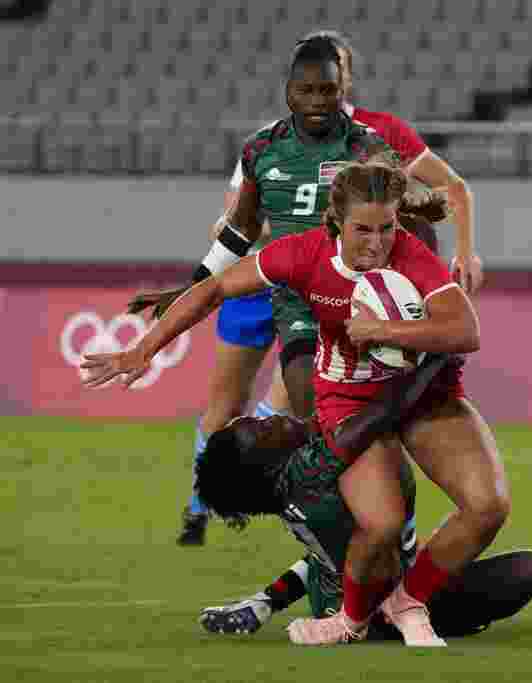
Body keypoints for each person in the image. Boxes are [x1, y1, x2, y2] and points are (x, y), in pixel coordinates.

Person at [82, 161, 510, 648]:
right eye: (363, 230)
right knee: (382, 523)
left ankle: (406, 602)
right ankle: (348, 621)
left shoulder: (410, 254)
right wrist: (143, 349)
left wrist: (383, 331)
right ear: (336, 223)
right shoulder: (302, 254)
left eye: (387, 228)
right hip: (348, 397)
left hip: (424, 393)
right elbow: (216, 288)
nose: (377, 243)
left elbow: (466, 331)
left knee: (488, 507)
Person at [132, 29, 483, 547]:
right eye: (308, 87)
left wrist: (427, 221)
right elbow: (237, 226)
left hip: (352, 292)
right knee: (260, 405)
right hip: (279, 282)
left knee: (352, 415)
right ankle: (219, 507)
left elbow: (421, 193)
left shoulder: (373, 139)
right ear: (290, 89)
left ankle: (379, 528)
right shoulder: (263, 147)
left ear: (344, 83)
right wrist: (193, 284)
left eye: (328, 86)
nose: (319, 98)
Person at [192, 354, 532, 641]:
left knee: (392, 544)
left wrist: (268, 600)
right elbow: (381, 414)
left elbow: (326, 560)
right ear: (262, 465)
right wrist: (435, 359)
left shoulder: (292, 486)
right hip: (374, 611)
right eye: (258, 430)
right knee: (529, 570)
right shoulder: (310, 470)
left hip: (338, 596)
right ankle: (415, 616)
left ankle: (413, 603)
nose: (269, 419)